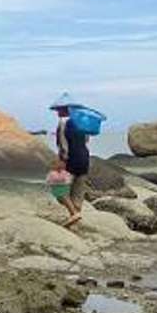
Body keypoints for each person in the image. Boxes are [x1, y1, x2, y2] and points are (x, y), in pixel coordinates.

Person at [49, 93, 91, 227]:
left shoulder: (63, 123)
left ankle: (73, 213)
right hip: (84, 158)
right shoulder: (82, 122)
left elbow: (63, 144)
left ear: (65, 109)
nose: (57, 112)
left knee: (58, 188)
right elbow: (86, 140)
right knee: (78, 191)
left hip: (71, 159)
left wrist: (62, 160)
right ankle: (75, 222)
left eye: (59, 109)